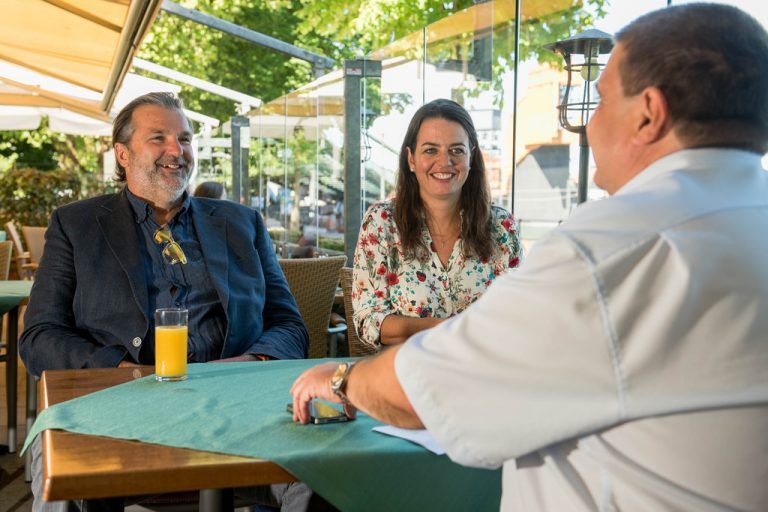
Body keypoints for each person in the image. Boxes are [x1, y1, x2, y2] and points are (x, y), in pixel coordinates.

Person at [291, 4, 768, 510]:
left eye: (600, 99)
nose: (586, 123)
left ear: (649, 112)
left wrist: (342, 380)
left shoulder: (611, 248)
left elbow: (431, 390)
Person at [19, 92, 316, 511]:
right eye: (158, 138)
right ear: (123, 154)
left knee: (326, 472)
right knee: (61, 476)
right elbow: (38, 338)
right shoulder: (77, 225)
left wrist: (248, 366)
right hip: (117, 410)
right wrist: (123, 372)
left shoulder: (240, 222)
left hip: (237, 406)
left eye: (186, 139)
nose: (177, 151)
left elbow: (289, 326)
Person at [352, 99, 522, 348]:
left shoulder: (501, 227)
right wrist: (443, 328)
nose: (445, 162)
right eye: (430, 150)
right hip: (406, 375)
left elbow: (518, 314)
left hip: (484, 373)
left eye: (456, 150)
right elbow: (368, 321)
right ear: (411, 159)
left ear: (471, 157)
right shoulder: (381, 223)